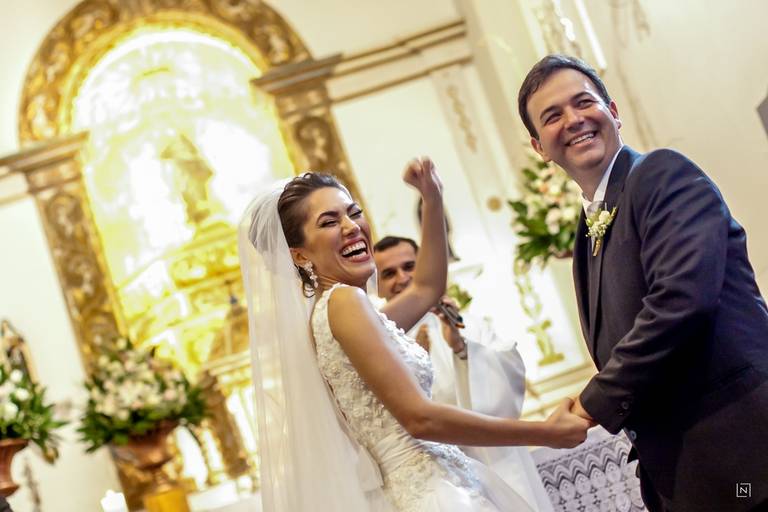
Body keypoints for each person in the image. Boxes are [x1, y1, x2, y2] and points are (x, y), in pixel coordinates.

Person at [239, 158, 590, 511]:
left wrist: (431, 197)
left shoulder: (329, 313)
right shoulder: (345, 302)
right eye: (329, 222)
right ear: (299, 256)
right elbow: (420, 418)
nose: (351, 227)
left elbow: (426, 288)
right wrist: (545, 431)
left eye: (354, 212)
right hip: (435, 493)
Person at [518, 54, 768, 511]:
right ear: (539, 147)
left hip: (746, 453)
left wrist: (589, 405)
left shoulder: (662, 175)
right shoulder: (584, 233)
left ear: (613, 112)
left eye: (583, 102)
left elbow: (681, 302)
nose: (573, 120)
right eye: (552, 116)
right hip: (689, 473)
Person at [373, 235, 553, 512]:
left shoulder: (470, 325)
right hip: (443, 481)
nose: (402, 278)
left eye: (409, 266)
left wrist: (461, 348)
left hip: (499, 459)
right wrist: (414, 364)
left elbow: (506, 395)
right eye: (389, 273)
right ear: (377, 285)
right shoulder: (379, 345)